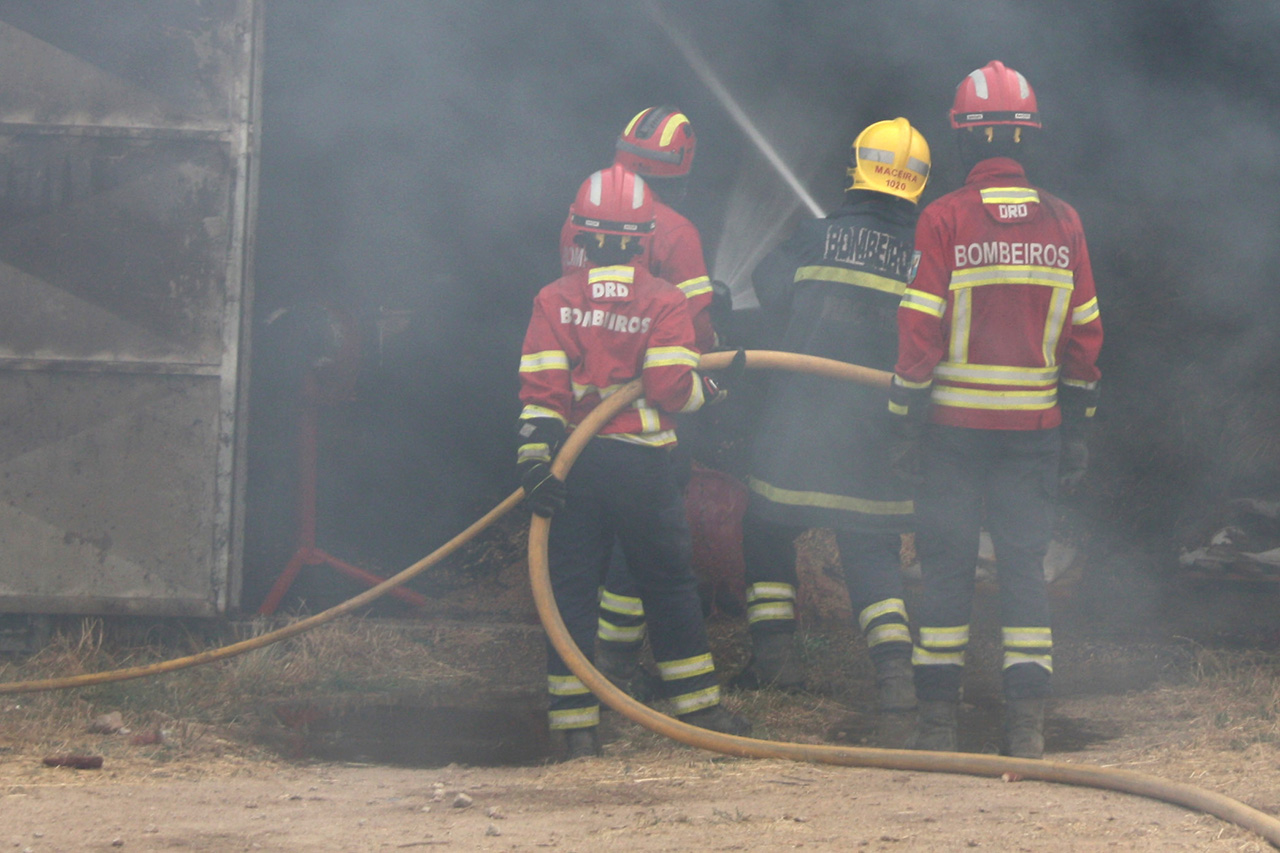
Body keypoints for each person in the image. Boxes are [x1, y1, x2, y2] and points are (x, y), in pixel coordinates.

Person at [889, 61, 1103, 758]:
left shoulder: (943, 217)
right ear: (1026, 139)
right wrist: (1080, 422)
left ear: (963, 141)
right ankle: (1026, 727)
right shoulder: (1064, 220)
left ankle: (936, 726)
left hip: (953, 433)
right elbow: (1086, 331)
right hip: (1033, 434)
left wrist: (901, 413)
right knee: (1023, 570)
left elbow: (919, 330)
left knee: (946, 567)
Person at [519, 163, 750, 760]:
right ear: (645, 237)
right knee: (668, 583)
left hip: (577, 468)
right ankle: (699, 714)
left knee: (569, 591)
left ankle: (575, 730)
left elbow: (542, 396)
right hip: (645, 468)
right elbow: (674, 387)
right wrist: (715, 392)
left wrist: (535, 464)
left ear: (582, 236)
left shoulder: (553, 300)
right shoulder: (663, 300)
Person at [734, 119, 930, 729]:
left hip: (799, 431)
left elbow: (767, 289)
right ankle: (896, 677)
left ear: (857, 171)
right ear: (915, 184)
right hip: (878, 436)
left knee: (765, 530)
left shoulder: (817, 236)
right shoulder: (926, 254)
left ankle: (775, 662)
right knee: (872, 551)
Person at [559, 106, 724, 698]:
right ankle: (691, 704)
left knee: (577, 574)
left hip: (579, 434)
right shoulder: (675, 232)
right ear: (680, 168)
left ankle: (599, 677)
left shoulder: (580, 217)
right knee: (664, 570)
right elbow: (696, 331)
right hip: (650, 427)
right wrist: (705, 379)